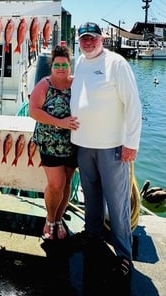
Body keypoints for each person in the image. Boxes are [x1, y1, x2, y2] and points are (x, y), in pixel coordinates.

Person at [70, 22, 142, 277]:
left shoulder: (117, 63)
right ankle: (93, 236)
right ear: (78, 41)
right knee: (91, 196)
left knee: (118, 201)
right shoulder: (79, 63)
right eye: (83, 39)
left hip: (112, 147)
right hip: (84, 143)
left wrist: (131, 143)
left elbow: (133, 104)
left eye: (92, 38)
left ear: (101, 39)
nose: (88, 42)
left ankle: (124, 254)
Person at [29, 45, 79, 240]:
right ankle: (49, 220)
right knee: (56, 184)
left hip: (73, 142)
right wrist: (61, 123)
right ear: (51, 65)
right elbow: (34, 111)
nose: (61, 68)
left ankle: (59, 220)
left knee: (66, 183)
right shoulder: (44, 84)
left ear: (70, 65)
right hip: (49, 142)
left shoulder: (76, 83)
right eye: (57, 64)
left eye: (64, 64)